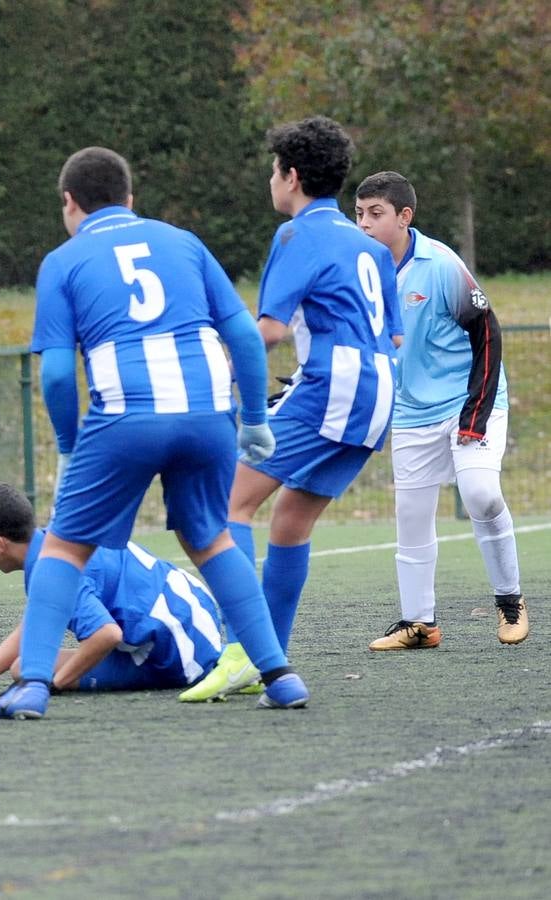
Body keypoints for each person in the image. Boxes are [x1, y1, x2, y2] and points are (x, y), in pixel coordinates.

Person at [0, 146, 307, 721]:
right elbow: (243, 333)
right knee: (211, 538)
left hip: (126, 417)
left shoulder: (63, 262)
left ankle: (35, 684)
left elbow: (60, 372)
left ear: (69, 203)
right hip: (208, 412)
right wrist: (255, 419)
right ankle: (280, 674)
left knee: (65, 546)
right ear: (131, 200)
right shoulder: (184, 242)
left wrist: (69, 447)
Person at [190, 116, 403, 701]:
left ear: (292, 176)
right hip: (379, 389)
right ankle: (269, 658)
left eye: (273, 170)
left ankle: (242, 650)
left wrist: (215, 372)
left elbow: (270, 331)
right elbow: (394, 337)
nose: (270, 182)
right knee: (290, 519)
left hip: (335, 387)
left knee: (226, 503)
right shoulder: (370, 246)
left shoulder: (296, 236)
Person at [354, 171, 526, 649]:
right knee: (410, 515)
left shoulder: (440, 263)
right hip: (411, 412)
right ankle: (419, 624)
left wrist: (474, 415)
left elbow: (487, 332)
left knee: (481, 494)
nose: (364, 224)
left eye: (376, 214)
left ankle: (510, 601)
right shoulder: (359, 270)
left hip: (468, 401)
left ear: (404, 217)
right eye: (359, 214)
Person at [0, 484, 224, 699]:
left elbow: (107, 635)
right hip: (194, 625)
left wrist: (52, 686)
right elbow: (36, 626)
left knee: (28, 671)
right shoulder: (56, 540)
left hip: (178, 655)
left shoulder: (53, 570)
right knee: (30, 664)